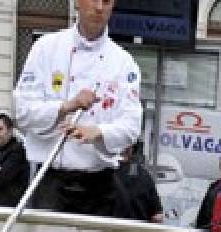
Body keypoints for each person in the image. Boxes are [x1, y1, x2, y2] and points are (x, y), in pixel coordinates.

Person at [14, 0, 142, 217]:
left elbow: (131, 127)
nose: (99, 8)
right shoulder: (45, 48)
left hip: (99, 187)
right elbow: (23, 112)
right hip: (48, 180)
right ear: (76, 3)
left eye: (107, 1)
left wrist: (98, 132)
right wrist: (66, 107)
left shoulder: (124, 63)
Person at [113, 142, 163, 223]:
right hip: (138, 231)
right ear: (131, 148)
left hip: (108, 230)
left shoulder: (103, 173)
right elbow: (157, 216)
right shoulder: (144, 175)